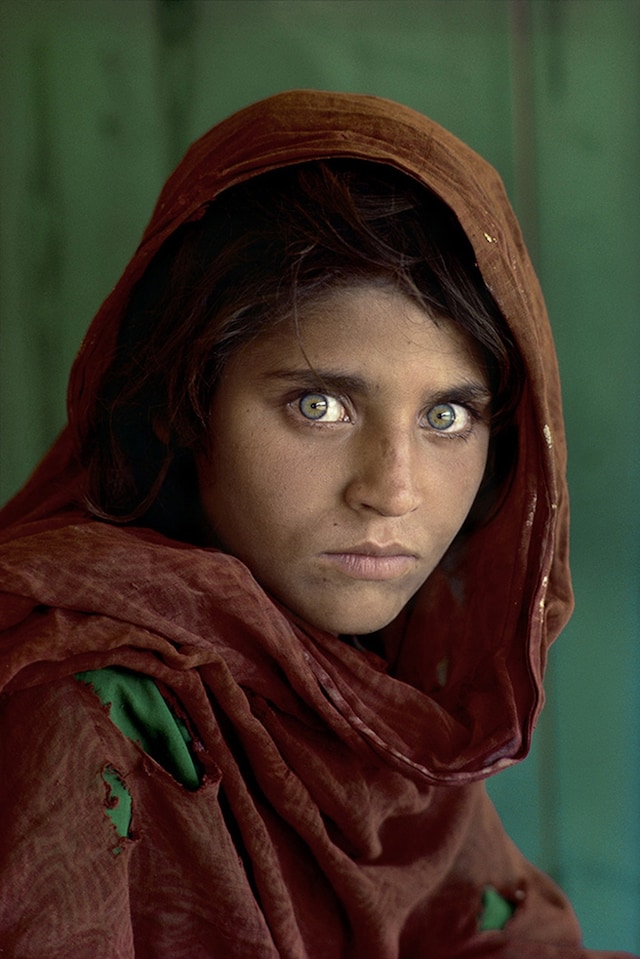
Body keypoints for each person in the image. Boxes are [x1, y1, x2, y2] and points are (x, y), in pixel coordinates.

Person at [0, 90, 632, 958]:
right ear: (186, 404)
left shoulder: (373, 700)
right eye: (319, 403)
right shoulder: (81, 709)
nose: (394, 491)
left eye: (447, 417)